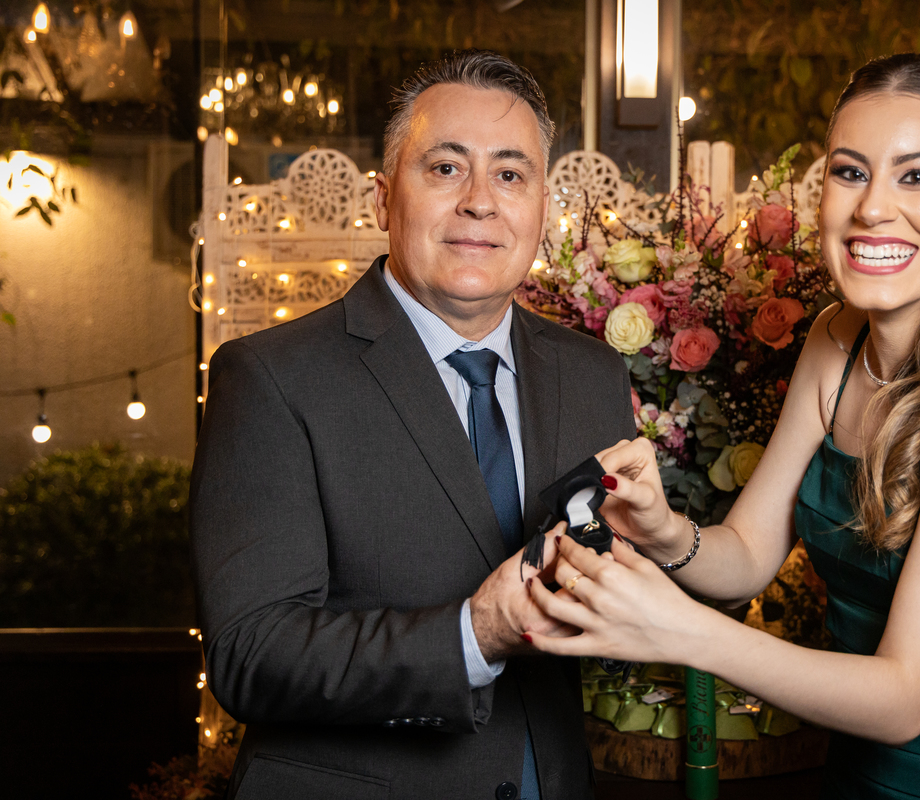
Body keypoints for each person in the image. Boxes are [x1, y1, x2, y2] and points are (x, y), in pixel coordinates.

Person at [526, 53, 920, 799]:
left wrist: (679, 632)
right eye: (851, 172)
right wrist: (662, 531)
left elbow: (903, 701)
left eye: (918, 176)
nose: (872, 208)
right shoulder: (836, 338)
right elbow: (747, 555)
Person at [190, 50, 634, 800]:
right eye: (446, 168)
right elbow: (250, 653)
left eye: (510, 175)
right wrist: (473, 634)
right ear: (382, 199)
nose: (480, 202)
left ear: (542, 209)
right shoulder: (270, 378)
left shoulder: (592, 374)